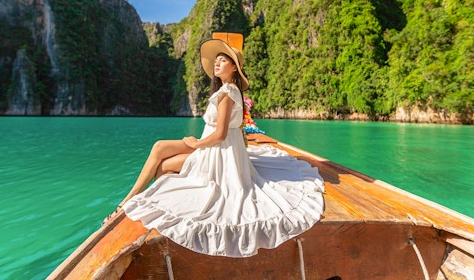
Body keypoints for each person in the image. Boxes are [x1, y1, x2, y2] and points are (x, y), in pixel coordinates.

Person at [104, 38, 324, 258]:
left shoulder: (228, 92)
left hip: (218, 154)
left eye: (222, 60)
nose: (217, 63)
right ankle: (133, 199)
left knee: (163, 162)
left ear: (234, 68)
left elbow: (219, 135)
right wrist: (196, 143)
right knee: (159, 148)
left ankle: (133, 202)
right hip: (212, 148)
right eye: (216, 60)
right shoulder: (227, 90)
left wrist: (195, 144)